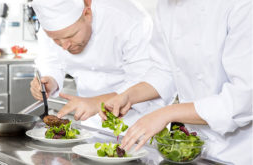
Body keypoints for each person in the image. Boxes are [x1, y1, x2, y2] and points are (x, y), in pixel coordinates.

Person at [100, 0, 252, 164]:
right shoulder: (166, 6)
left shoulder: (241, 5)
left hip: (240, 151)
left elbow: (242, 99)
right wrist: (128, 96)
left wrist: (167, 113)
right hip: (193, 147)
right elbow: (165, 70)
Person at [30, 0, 165, 129]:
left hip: (140, 122)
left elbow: (149, 79)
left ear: (87, 14)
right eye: (56, 40)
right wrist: (50, 81)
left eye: (71, 35)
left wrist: (97, 102)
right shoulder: (52, 26)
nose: (64, 46)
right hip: (91, 121)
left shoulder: (128, 18)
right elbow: (51, 60)